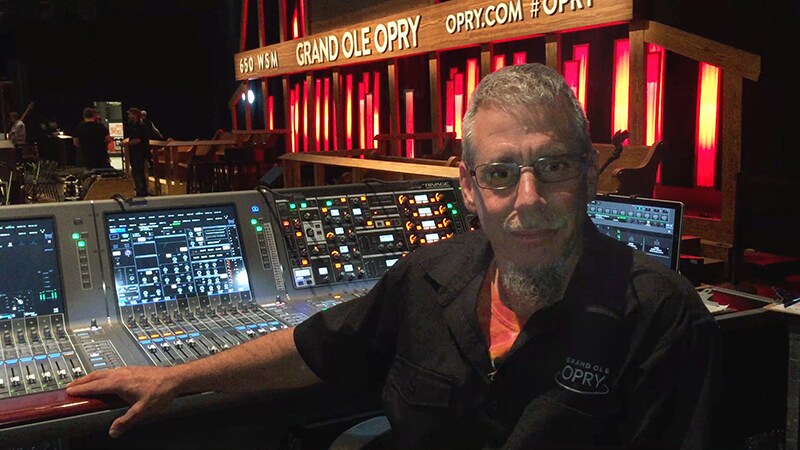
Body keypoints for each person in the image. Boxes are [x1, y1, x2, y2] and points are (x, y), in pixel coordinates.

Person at [66, 63, 719, 449]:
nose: (529, 198)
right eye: (500, 174)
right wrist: (176, 378)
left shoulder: (662, 316)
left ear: (590, 175)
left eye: (553, 167)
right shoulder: (428, 275)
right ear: (468, 188)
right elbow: (315, 346)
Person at [124, 107, 151, 196]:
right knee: (135, 172)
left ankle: (142, 191)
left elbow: (138, 140)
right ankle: (139, 189)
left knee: (139, 172)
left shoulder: (140, 125)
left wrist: (127, 144)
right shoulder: (133, 125)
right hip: (134, 153)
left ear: (135, 115)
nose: (128, 116)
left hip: (140, 153)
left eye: (130, 114)